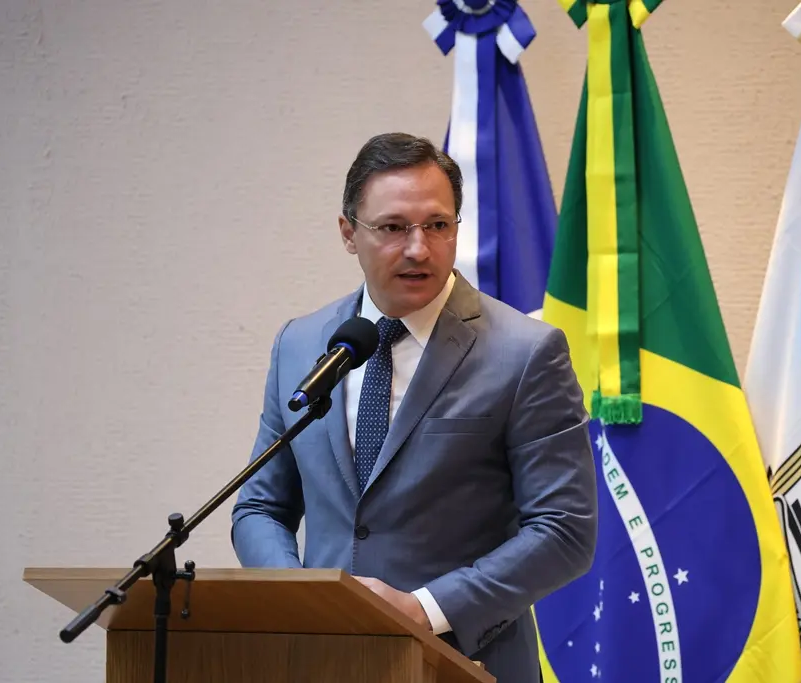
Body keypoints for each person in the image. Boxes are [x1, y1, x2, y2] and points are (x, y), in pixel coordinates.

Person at [231, 132, 598, 682]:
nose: (418, 248)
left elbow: (564, 529)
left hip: (465, 663)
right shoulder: (301, 344)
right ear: (348, 233)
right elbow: (260, 507)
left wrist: (424, 609)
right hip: (321, 664)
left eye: (437, 225)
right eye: (393, 227)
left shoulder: (525, 353)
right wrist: (300, 599)